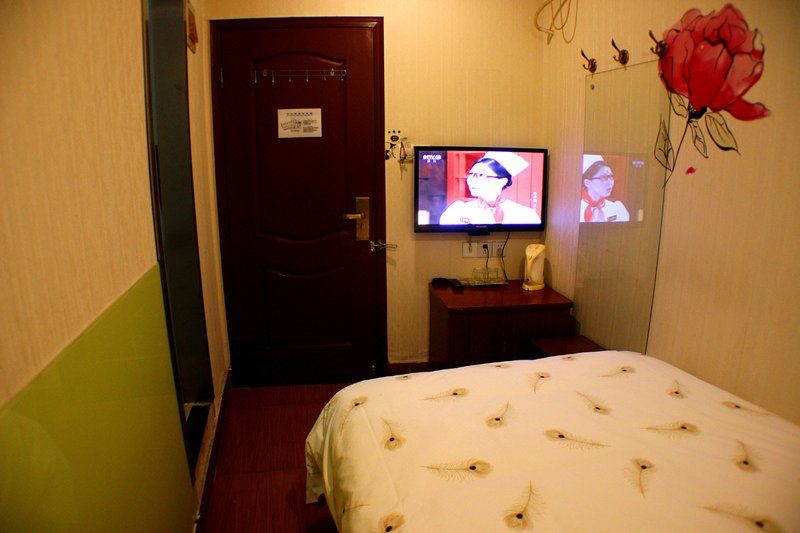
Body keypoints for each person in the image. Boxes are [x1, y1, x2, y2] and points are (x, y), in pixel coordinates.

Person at [439, 151, 540, 225]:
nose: (472, 180)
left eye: (481, 175)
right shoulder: (458, 210)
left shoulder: (526, 215)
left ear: (502, 181)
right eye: (471, 174)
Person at [580, 155, 629, 223]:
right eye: (603, 178)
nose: (610, 182)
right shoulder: (576, 209)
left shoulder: (618, 209)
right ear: (587, 183)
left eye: (611, 177)